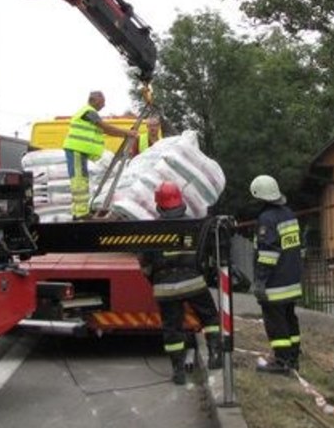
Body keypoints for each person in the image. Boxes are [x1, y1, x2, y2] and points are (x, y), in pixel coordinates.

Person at [140, 181, 223, 385]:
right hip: (193, 281)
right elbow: (204, 255)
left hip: (165, 287)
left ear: (158, 204)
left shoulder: (151, 230)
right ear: (181, 201)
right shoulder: (193, 225)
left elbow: (145, 265)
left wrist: (156, 281)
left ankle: (178, 371)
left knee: (172, 328)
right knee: (210, 317)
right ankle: (214, 355)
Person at [249, 174, 303, 374]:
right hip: (292, 279)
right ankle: (293, 358)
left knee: (276, 323)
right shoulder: (289, 214)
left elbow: (269, 253)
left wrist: (260, 282)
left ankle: (281, 361)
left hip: (275, 283)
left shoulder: (266, 219)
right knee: (290, 318)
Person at [61, 91, 138, 219]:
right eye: (102, 102)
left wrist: (125, 134)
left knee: (82, 179)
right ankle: (80, 213)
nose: (104, 105)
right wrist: (127, 133)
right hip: (76, 150)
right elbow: (106, 128)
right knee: (79, 180)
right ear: (94, 100)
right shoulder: (88, 112)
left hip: (79, 151)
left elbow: (106, 130)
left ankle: (79, 212)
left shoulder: (90, 113)